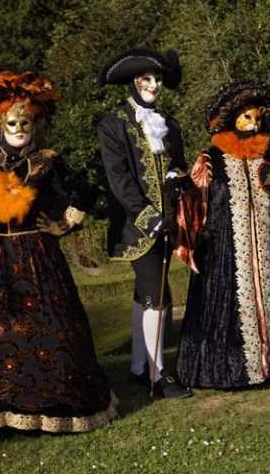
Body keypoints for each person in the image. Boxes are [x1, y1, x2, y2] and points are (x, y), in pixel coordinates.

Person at [0, 70, 116, 433]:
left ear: (34, 124)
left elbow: (83, 193)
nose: (19, 129)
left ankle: (52, 405)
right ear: (0, 124)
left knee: (44, 330)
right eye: (12, 122)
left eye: (25, 123)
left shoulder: (48, 160)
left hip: (35, 256)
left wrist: (62, 226)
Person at [174, 81, 270, 389]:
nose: (254, 123)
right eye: (246, 117)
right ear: (231, 119)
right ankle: (230, 371)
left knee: (269, 304)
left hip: (265, 246)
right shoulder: (211, 159)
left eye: (257, 117)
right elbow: (195, 203)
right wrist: (195, 232)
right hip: (224, 250)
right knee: (228, 308)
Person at [97, 47, 192, 399]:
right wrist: (149, 218)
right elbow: (119, 180)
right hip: (136, 225)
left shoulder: (170, 126)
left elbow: (178, 167)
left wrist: (178, 181)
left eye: (158, 79)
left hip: (167, 223)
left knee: (145, 293)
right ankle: (158, 374)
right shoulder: (113, 126)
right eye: (146, 79)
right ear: (135, 82)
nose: (154, 85)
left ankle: (139, 368)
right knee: (159, 292)